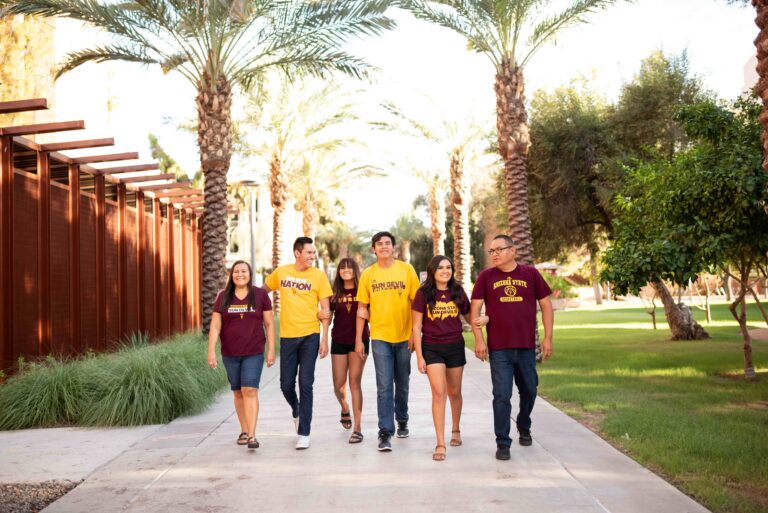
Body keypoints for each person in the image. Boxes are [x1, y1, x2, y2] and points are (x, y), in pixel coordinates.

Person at [470, 235, 554, 461]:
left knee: (530, 390)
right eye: (492, 251)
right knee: (501, 395)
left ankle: (524, 424)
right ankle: (502, 442)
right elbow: (475, 309)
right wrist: (479, 339)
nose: (494, 254)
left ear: (513, 251)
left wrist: (548, 337)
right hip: (499, 349)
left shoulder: (530, 274)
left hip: (526, 346)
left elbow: (546, 305)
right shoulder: (486, 277)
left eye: (499, 249)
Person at [264, 237, 333, 450]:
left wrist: (324, 339)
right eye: (309, 252)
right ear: (297, 253)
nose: (313, 256)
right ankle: (296, 409)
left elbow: (326, 311)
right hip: (288, 336)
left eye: (313, 253)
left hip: (310, 336)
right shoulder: (281, 273)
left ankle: (304, 432)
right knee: (286, 384)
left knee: (305, 383)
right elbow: (261, 293)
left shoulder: (319, 276)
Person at [356, 231, 419, 452]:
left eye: (387, 243)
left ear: (393, 247)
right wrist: (359, 339)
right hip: (380, 337)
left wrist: (414, 334)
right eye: (379, 244)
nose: (384, 246)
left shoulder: (407, 270)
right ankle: (385, 432)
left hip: (404, 337)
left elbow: (416, 305)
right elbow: (361, 309)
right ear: (373, 249)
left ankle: (402, 419)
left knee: (402, 383)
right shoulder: (368, 275)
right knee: (384, 386)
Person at [208, 260, 275, 450]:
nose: (240, 274)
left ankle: (252, 435)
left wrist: (271, 349)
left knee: (250, 389)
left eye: (243, 271)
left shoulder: (260, 295)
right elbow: (215, 325)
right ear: (231, 275)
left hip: (254, 351)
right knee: (238, 391)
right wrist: (211, 350)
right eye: (236, 271)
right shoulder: (223, 297)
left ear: (250, 274)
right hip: (230, 353)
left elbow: (269, 324)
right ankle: (244, 430)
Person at [412, 255, 471, 461]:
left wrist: (483, 322)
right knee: (439, 393)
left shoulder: (457, 291)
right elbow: (416, 327)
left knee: (455, 392)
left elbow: (470, 316)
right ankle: (440, 443)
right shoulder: (423, 294)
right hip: (432, 348)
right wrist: (419, 357)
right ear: (432, 271)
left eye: (448, 267)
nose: (445, 271)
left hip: (455, 346)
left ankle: (455, 429)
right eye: (441, 268)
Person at [327, 258, 370, 444]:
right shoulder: (334, 292)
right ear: (339, 271)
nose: (346, 270)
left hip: (359, 341)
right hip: (339, 340)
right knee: (338, 385)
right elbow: (327, 316)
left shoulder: (363, 289)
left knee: (354, 382)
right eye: (342, 267)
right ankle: (345, 408)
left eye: (349, 267)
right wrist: (320, 317)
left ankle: (357, 429)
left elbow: (371, 314)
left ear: (355, 270)